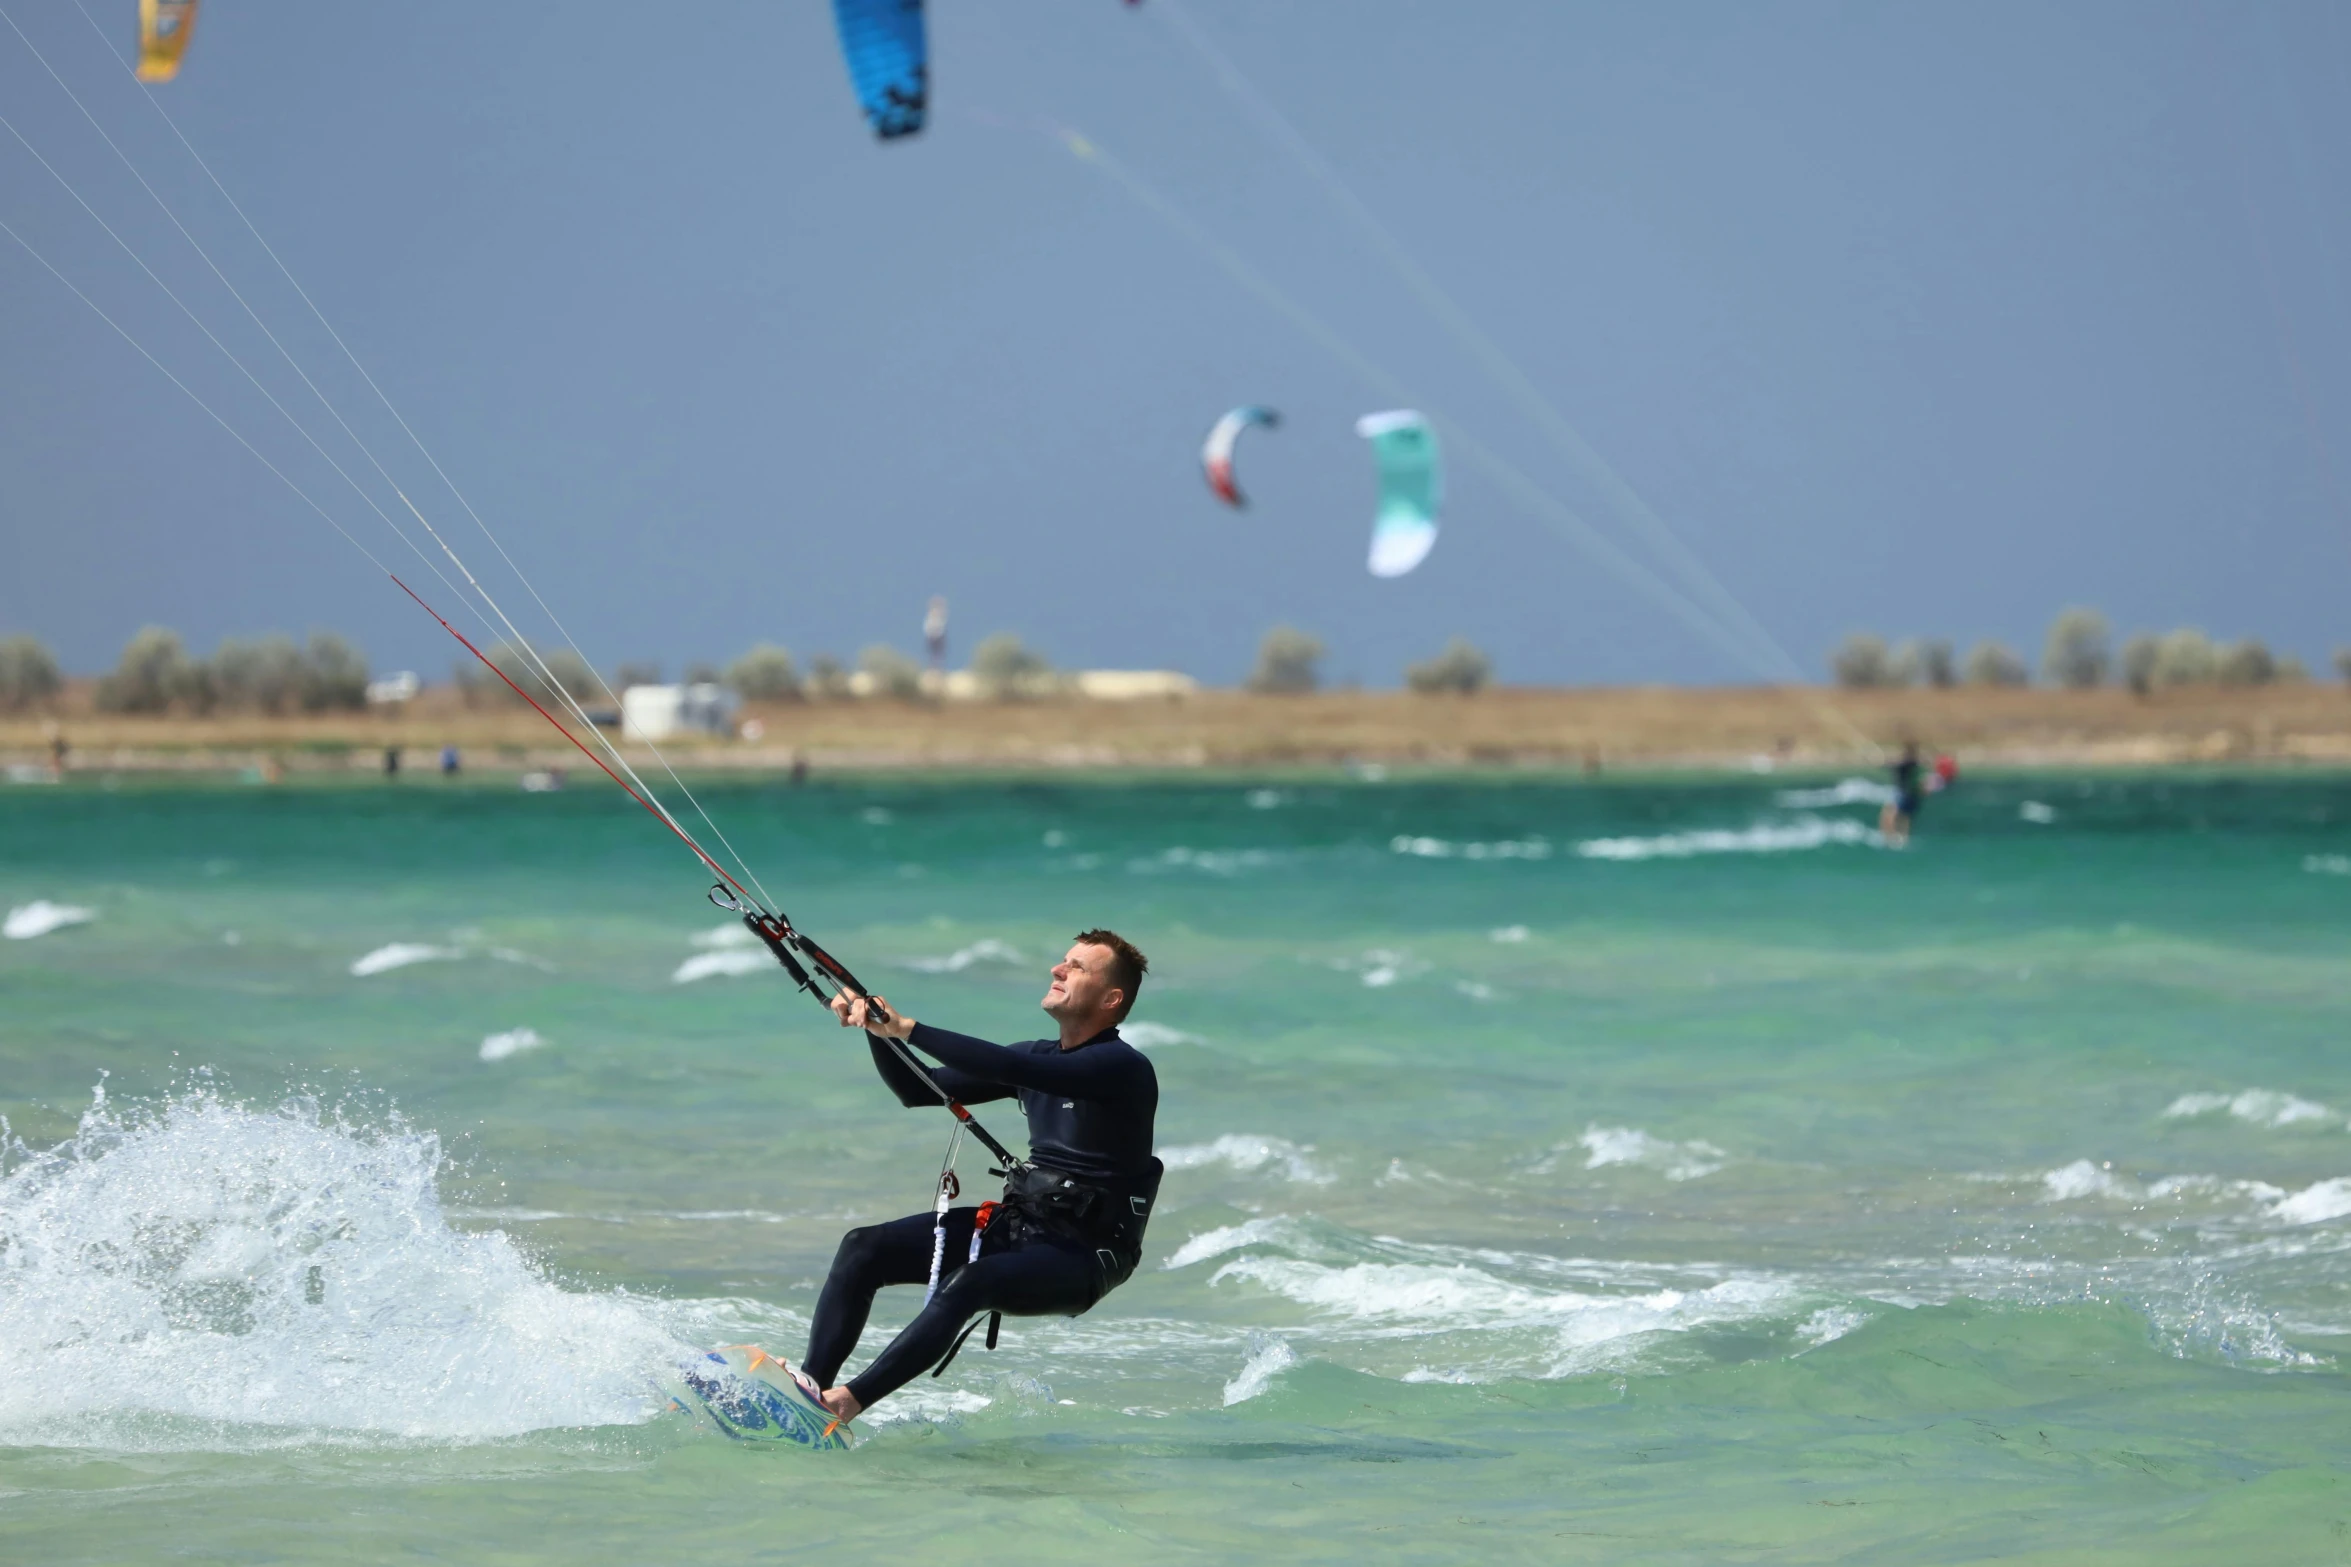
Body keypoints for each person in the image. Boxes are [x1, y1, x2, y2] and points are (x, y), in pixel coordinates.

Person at [800, 930, 1162, 1426]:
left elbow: (1013, 1066)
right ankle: (808, 1389)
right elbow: (916, 1089)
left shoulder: (1122, 1068)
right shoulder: (1040, 1058)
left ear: (1111, 998)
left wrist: (908, 1027)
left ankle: (845, 1404)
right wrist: (874, 1026)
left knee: (971, 1282)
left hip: (1086, 1255)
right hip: (1024, 1227)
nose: (1058, 970)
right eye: (1062, 960)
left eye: (1076, 967)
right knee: (864, 1247)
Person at [1880, 740, 1924, 848]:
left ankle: (1888, 837)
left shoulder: (1906, 763)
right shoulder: (1914, 764)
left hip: (1901, 792)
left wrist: (1885, 763)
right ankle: (1903, 837)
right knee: (1905, 816)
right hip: (1911, 793)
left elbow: (1893, 765)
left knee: (1889, 814)